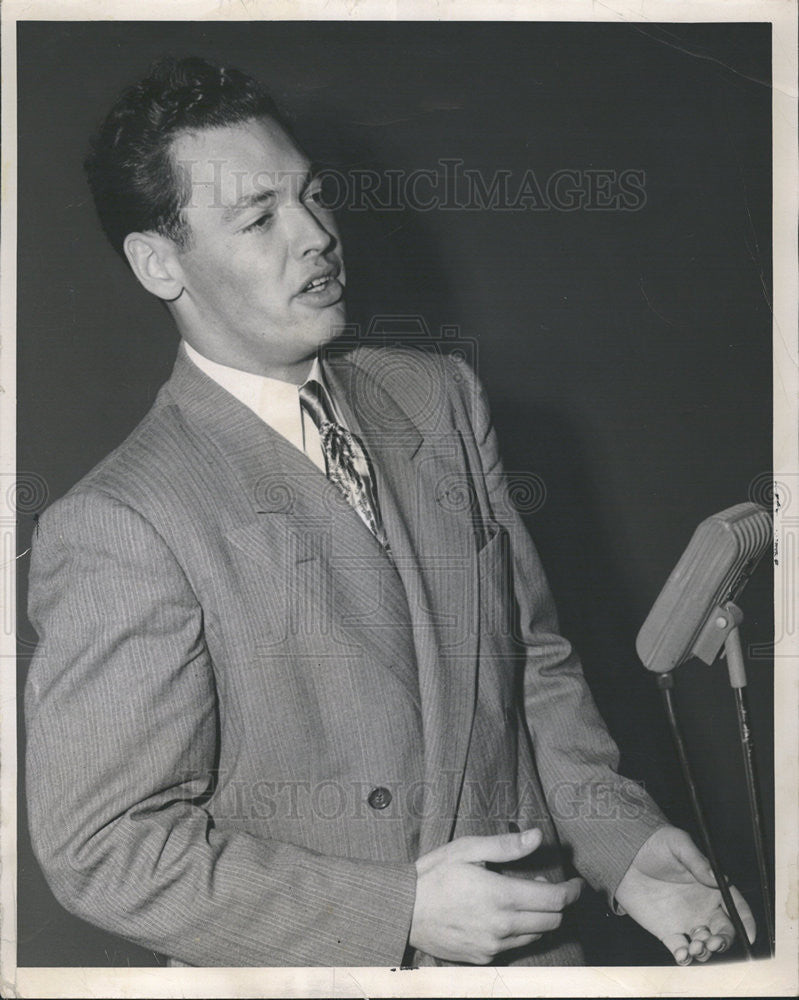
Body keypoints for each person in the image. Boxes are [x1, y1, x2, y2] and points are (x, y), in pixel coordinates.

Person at [24, 56, 755, 969]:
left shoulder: (437, 397)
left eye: (312, 195)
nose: (317, 235)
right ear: (158, 264)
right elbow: (103, 850)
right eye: (260, 217)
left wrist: (623, 844)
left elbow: (529, 663)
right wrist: (394, 909)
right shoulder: (120, 524)